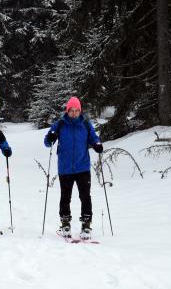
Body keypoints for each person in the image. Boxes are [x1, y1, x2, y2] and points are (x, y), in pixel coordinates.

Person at [44, 96, 103, 240]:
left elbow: (93, 138)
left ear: (80, 111)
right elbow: (47, 142)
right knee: (65, 197)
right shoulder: (60, 124)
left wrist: (97, 144)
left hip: (82, 166)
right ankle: (65, 223)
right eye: (72, 110)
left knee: (85, 197)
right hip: (65, 168)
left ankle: (86, 225)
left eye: (77, 110)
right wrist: (51, 138)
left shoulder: (86, 124)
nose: (74, 113)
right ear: (67, 110)